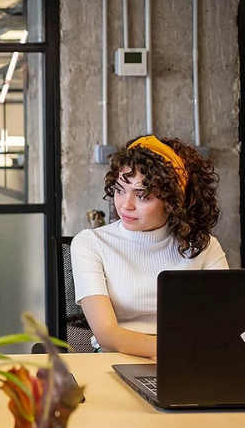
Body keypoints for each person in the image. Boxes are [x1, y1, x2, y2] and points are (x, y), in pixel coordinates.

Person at [71, 135, 228, 358]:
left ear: (173, 201)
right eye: (119, 189)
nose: (126, 205)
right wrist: (178, 351)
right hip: (117, 362)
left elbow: (227, 322)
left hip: (189, 364)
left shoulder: (204, 246)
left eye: (142, 196)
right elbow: (107, 335)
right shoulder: (90, 244)